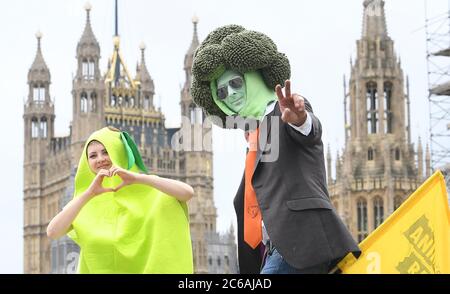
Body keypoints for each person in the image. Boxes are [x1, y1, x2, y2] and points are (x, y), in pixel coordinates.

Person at [191, 24, 361, 274]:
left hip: (303, 242)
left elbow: (310, 132)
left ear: (254, 77)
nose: (230, 95)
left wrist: (300, 118)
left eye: (236, 83)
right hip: (273, 252)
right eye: (222, 92)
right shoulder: (253, 138)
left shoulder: (284, 112)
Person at [46, 126, 194, 273]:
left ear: (118, 151)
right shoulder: (84, 203)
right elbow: (53, 232)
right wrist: (89, 193)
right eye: (93, 156)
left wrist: (138, 178)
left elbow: (187, 193)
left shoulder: (149, 194)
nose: (100, 159)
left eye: (106, 152)